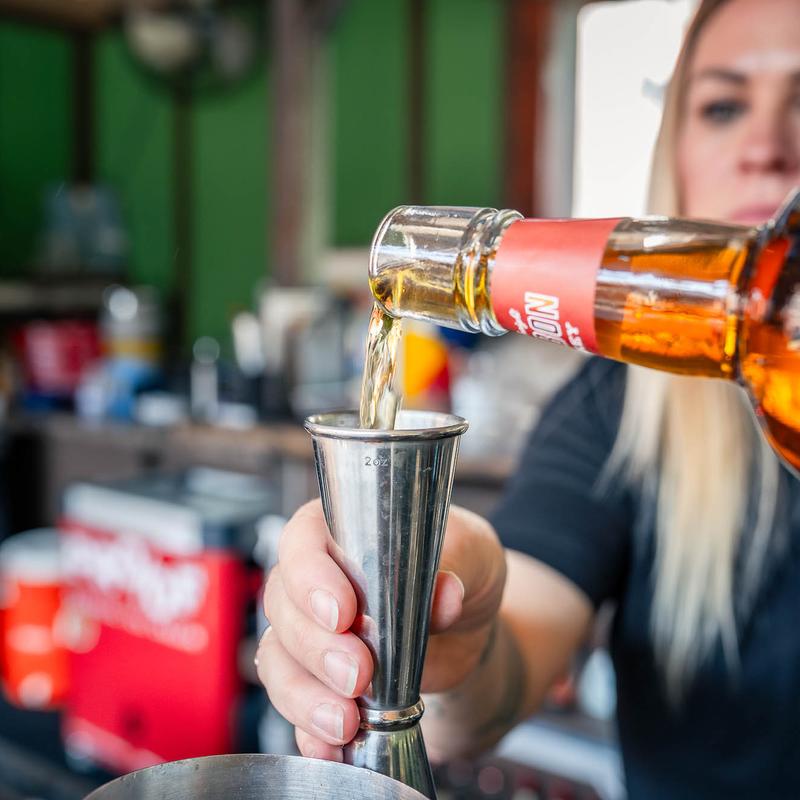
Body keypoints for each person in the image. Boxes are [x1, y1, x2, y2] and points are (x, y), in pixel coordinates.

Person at [257, 1, 800, 796]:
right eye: (723, 106)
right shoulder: (614, 407)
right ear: (675, 155)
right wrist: (448, 627)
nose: (765, 147)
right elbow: (492, 685)